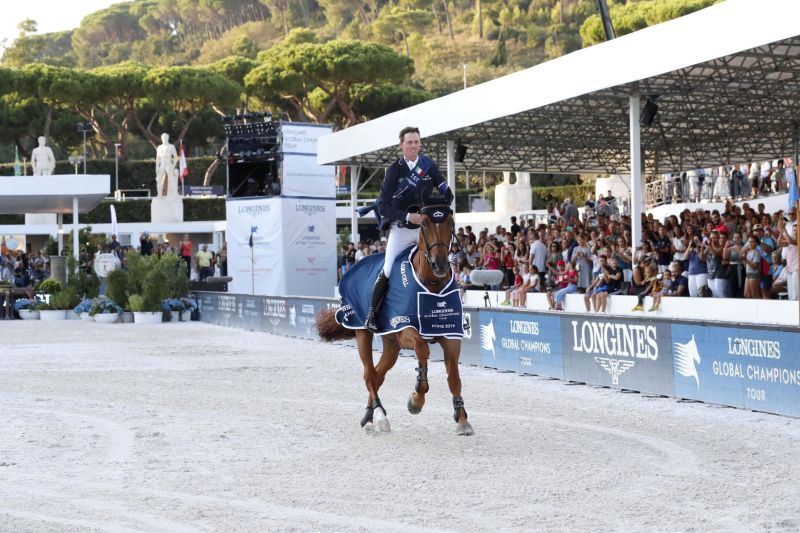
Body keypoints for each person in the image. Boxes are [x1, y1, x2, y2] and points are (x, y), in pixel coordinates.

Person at [363, 126, 453, 332]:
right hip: (402, 229)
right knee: (387, 268)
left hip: (425, 229)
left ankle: (453, 309)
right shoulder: (394, 170)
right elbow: (383, 205)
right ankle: (372, 313)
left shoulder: (428, 166)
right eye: (409, 142)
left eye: (416, 142)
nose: (414, 146)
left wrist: (437, 202)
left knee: (444, 260)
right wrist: (407, 216)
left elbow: (446, 195)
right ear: (402, 145)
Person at [155, 133, 179, 197]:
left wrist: (173, 166)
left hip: (169, 163)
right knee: (158, 179)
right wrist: (157, 167)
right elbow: (158, 158)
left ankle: (172, 194)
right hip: (162, 164)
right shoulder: (159, 147)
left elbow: (176, 157)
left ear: (168, 138)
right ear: (161, 138)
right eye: (163, 138)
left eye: (166, 137)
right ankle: (159, 195)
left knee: (171, 179)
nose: (164, 139)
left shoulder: (171, 146)